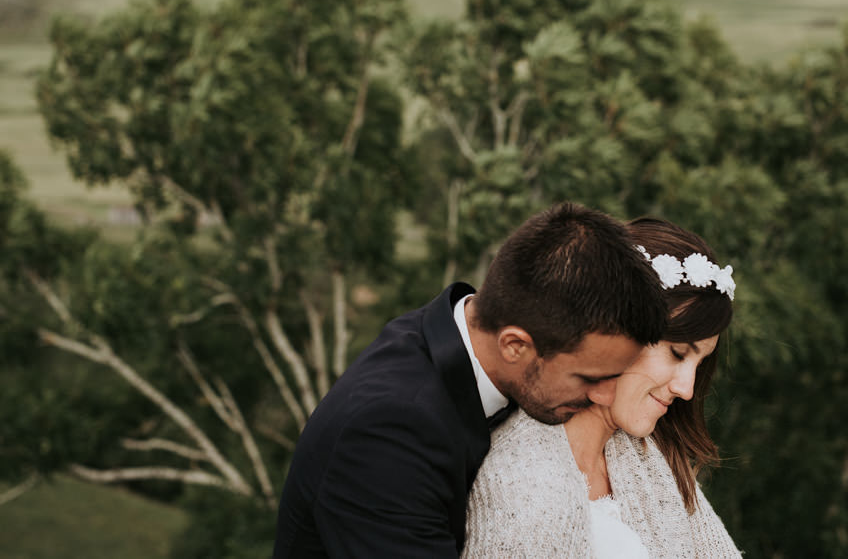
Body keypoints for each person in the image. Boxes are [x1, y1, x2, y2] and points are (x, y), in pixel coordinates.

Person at [273, 203, 668, 558]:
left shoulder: (465, 339)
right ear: (515, 346)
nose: (606, 396)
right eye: (590, 378)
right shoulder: (386, 436)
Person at [462, 217, 741, 558]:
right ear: (618, 330)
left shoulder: (653, 460)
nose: (687, 389)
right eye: (677, 353)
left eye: (699, 364)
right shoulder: (521, 479)